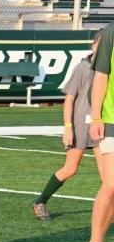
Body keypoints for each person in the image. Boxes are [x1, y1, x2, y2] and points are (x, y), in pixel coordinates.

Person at [33, 34, 102, 221]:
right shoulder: (82, 67)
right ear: (94, 45)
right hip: (80, 126)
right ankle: (40, 201)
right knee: (70, 168)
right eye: (100, 44)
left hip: (100, 126)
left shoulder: (107, 69)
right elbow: (69, 99)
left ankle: (107, 213)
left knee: (107, 176)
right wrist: (68, 128)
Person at [77, 24, 114, 242]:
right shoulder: (111, 33)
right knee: (111, 184)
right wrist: (97, 117)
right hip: (112, 118)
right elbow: (101, 76)